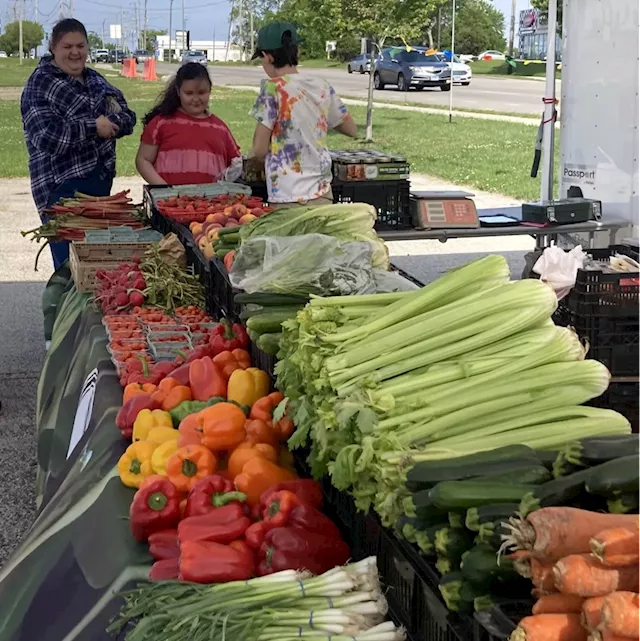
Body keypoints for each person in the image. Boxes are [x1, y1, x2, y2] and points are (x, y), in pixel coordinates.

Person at [21, 18, 136, 270]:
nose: (75, 52)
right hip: (60, 188)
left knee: (96, 264)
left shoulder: (96, 80)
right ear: (53, 47)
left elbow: (128, 116)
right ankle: (63, 309)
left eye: (81, 46)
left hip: (100, 183)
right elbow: (47, 136)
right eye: (67, 46)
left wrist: (111, 123)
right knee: (70, 268)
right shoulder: (40, 84)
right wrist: (96, 127)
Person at [248, 22, 357, 207]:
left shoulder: (272, 88)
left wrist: (250, 164)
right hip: (321, 193)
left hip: (286, 195)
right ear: (296, 52)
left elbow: (259, 150)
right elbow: (351, 129)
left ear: (267, 57)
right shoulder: (321, 86)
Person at [136, 63, 241, 186]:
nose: (195, 99)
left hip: (211, 203)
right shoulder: (160, 123)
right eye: (189, 93)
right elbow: (143, 160)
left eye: (201, 93)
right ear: (178, 91)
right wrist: (164, 189)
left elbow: (237, 164)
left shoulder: (221, 129)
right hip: (167, 202)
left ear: (210, 90)